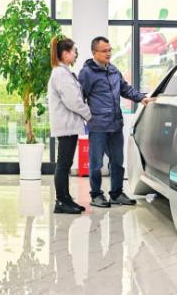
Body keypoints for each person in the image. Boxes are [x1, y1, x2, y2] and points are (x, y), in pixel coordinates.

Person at [78, 36, 155, 208]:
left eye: (110, 50)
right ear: (94, 53)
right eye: (104, 51)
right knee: (96, 163)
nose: (108, 53)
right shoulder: (87, 73)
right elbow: (79, 97)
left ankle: (116, 193)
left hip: (115, 124)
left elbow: (125, 89)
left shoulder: (113, 70)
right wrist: (86, 117)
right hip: (98, 126)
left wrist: (141, 98)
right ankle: (96, 195)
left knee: (117, 161)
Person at [47, 37, 92, 214]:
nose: (75, 54)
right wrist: (89, 115)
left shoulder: (63, 72)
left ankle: (66, 198)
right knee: (63, 164)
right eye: (73, 51)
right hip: (66, 126)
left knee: (65, 163)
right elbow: (73, 101)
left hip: (68, 125)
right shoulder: (60, 74)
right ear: (65, 54)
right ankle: (61, 201)